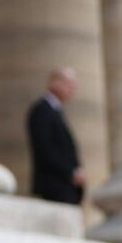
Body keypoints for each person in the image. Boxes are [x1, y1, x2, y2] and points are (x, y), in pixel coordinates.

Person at [26, 67, 86, 204]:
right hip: (55, 186)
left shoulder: (55, 110)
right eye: (69, 83)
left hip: (65, 187)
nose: (73, 88)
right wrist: (71, 172)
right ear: (54, 83)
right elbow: (44, 149)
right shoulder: (42, 110)